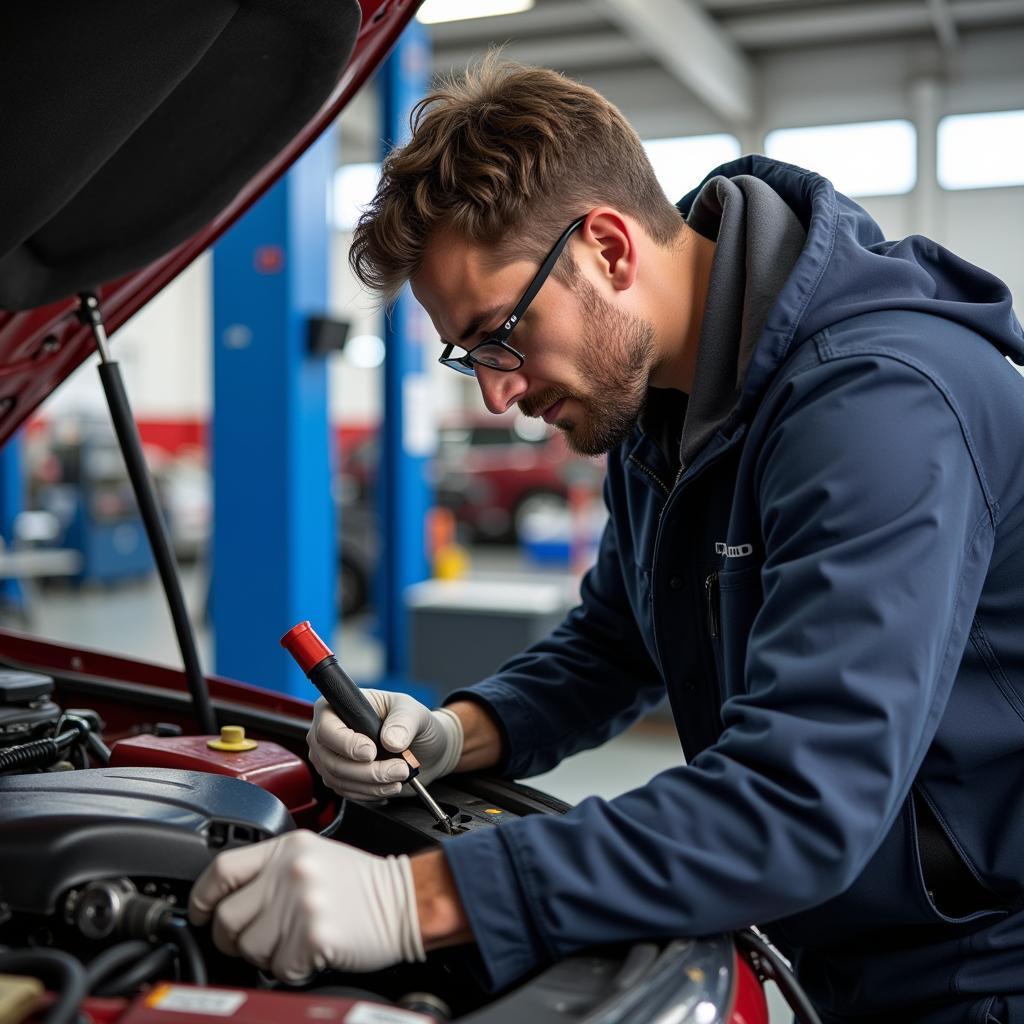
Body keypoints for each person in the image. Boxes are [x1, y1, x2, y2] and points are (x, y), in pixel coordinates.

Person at [189, 56, 1024, 1023]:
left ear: (608, 250)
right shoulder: (665, 404)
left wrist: (420, 898)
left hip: (984, 968)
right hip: (848, 944)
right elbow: (618, 641)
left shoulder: (880, 409)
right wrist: (456, 731)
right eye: (470, 357)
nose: (497, 392)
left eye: (501, 334)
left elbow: (801, 802)